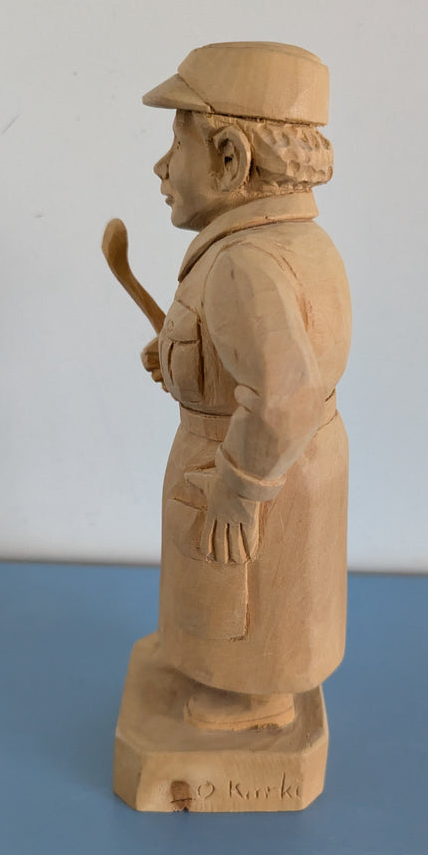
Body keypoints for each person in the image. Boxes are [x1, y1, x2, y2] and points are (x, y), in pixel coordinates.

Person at [141, 42, 352, 731]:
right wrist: (181, 358)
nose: (161, 167)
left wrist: (238, 490)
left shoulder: (246, 265)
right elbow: (252, 358)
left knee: (248, 605)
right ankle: (245, 681)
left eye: (178, 146)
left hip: (255, 469)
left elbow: (284, 398)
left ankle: (250, 697)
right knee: (252, 599)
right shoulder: (297, 242)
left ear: (230, 159)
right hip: (293, 460)